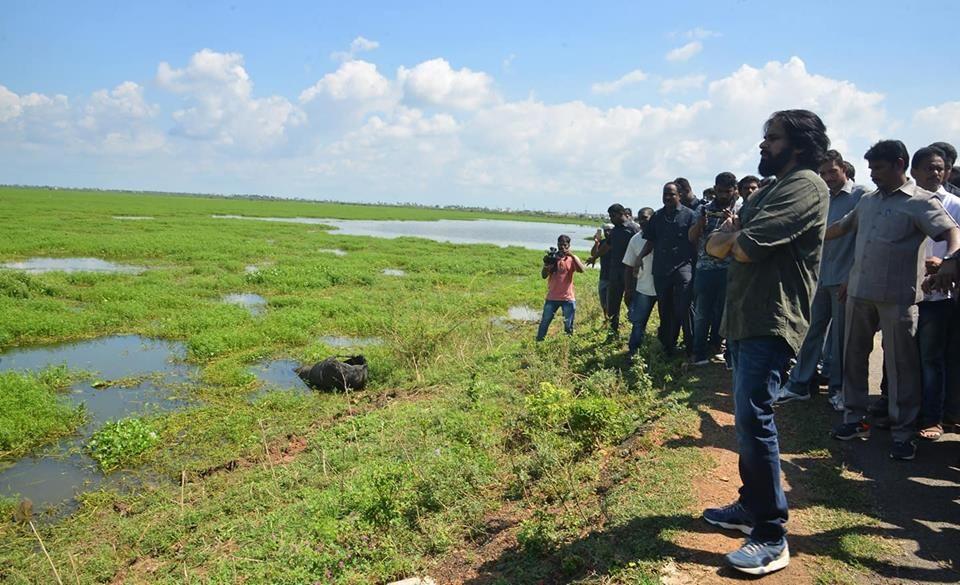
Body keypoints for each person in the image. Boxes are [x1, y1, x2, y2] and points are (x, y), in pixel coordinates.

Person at [701, 109, 830, 575]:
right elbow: (716, 243)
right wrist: (731, 237)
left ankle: (772, 533)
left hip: (771, 321)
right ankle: (750, 507)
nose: (762, 145)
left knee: (756, 423)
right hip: (744, 319)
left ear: (798, 144)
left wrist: (733, 237)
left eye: (771, 138)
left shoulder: (806, 186)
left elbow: (745, 247)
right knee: (745, 421)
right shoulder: (775, 188)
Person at [826, 140, 960, 461]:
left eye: (879, 168)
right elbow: (842, 228)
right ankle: (854, 419)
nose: (872, 174)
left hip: (898, 299)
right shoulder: (869, 201)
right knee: (853, 358)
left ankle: (902, 433)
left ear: (899, 165)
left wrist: (953, 259)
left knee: (902, 368)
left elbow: (951, 232)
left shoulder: (921, 202)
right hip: (859, 293)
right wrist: (806, 231)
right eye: (870, 168)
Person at [776, 150, 864, 408]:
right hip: (818, 278)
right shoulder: (820, 197)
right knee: (810, 332)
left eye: (832, 172)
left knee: (840, 339)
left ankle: (838, 390)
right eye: (822, 173)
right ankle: (799, 384)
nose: (827, 178)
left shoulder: (861, 196)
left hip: (845, 278)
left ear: (844, 169)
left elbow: (864, 240)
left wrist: (853, 274)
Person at [911, 146, 960, 441]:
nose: (936, 173)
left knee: (932, 358)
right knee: (900, 357)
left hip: (940, 296)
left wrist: (946, 265)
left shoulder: (955, 204)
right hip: (903, 292)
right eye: (928, 167)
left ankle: (933, 417)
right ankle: (897, 408)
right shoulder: (904, 202)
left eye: (940, 168)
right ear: (913, 171)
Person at [638, 184, 697, 357]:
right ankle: (668, 347)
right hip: (662, 270)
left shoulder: (690, 215)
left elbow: (695, 242)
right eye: (665, 194)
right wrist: (639, 258)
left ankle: (690, 348)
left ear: (679, 195)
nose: (667, 197)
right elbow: (650, 242)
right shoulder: (657, 216)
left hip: (683, 268)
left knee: (684, 308)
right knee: (665, 309)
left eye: (671, 194)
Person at [687, 172, 738, 365]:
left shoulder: (740, 209)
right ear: (714, 189)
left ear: (734, 190)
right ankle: (699, 353)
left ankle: (721, 349)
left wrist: (733, 222)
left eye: (727, 191)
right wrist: (700, 224)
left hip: (730, 269)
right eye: (720, 190)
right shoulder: (702, 209)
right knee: (702, 313)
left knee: (726, 313)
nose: (723, 195)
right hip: (705, 269)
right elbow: (691, 238)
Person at [594, 204, 638, 336]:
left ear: (622, 214)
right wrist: (594, 257)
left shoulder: (633, 229)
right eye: (610, 216)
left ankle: (636, 332)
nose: (611, 219)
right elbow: (607, 246)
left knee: (631, 301)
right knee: (613, 303)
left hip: (629, 272)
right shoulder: (615, 231)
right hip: (614, 272)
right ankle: (613, 332)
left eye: (613, 216)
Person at [622, 207, 657, 358]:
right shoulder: (635, 239)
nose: (642, 221)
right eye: (640, 218)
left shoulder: (662, 236)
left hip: (664, 287)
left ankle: (663, 353)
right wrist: (628, 290)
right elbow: (628, 266)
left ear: (653, 219)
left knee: (668, 323)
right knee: (638, 323)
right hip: (644, 288)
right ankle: (633, 352)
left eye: (646, 218)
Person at [536, 234, 585, 341]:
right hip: (552, 297)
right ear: (557, 244)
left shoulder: (572, 258)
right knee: (544, 323)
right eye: (560, 244)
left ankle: (568, 344)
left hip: (568, 298)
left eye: (564, 245)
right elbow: (544, 276)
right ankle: (538, 343)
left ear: (568, 245)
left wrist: (571, 255)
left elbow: (582, 270)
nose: (562, 247)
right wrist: (546, 266)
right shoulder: (552, 257)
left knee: (568, 326)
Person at [587, 223, 614, 318]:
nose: (607, 232)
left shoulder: (617, 242)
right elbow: (594, 254)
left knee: (610, 301)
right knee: (603, 301)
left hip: (613, 277)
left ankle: (611, 320)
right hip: (603, 276)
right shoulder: (602, 242)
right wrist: (596, 242)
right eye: (605, 230)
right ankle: (606, 318)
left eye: (610, 230)